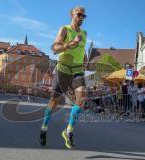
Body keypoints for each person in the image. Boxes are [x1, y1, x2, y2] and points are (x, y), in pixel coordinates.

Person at [39, 6, 87, 149]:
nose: (81, 18)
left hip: (77, 69)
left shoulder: (84, 33)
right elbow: (54, 49)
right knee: (54, 101)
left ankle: (69, 130)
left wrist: (83, 56)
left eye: (83, 16)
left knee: (82, 98)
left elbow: (81, 49)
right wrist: (71, 43)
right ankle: (44, 127)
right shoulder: (65, 29)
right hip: (63, 69)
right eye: (79, 15)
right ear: (71, 15)